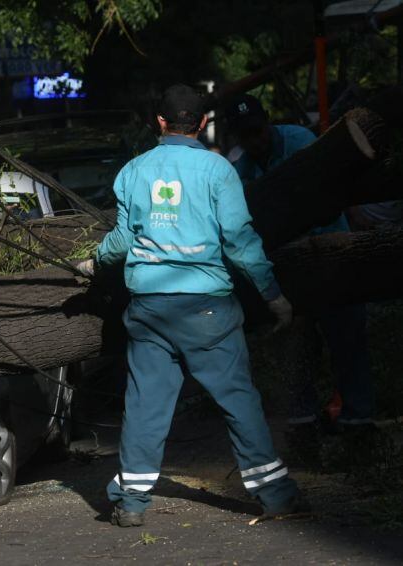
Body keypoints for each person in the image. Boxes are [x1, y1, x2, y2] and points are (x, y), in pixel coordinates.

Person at [76, 85, 303, 528]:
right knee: (238, 401)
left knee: (145, 405)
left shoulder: (134, 171)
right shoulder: (219, 171)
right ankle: (276, 495)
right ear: (201, 124)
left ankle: (131, 501)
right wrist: (273, 296)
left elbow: (122, 240)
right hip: (207, 311)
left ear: (159, 122)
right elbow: (239, 241)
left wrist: (93, 260)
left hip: (149, 309)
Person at [226, 94, 373, 433]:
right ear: (237, 137)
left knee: (346, 337)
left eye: (257, 130)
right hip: (288, 264)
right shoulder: (240, 173)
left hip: (329, 252)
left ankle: (358, 419)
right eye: (246, 135)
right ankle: (303, 421)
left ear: (267, 121)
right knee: (295, 345)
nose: (255, 140)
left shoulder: (302, 144)